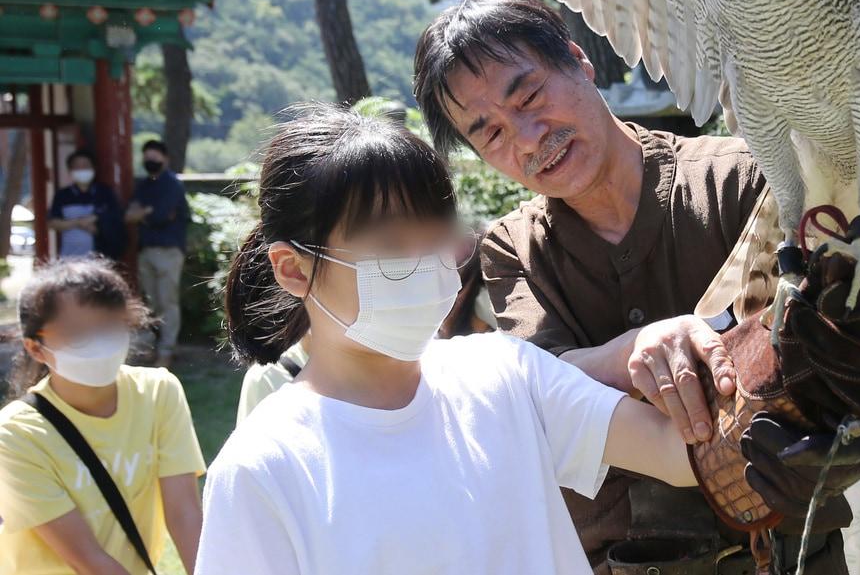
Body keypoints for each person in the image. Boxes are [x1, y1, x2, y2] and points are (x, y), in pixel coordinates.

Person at [416, 0, 858, 573]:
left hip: (792, 553)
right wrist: (634, 351)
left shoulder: (744, 180)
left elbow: (830, 358)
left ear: (579, 59)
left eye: (528, 95)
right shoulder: (511, 248)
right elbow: (531, 392)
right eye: (490, 134)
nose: (526, 138)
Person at [196, 104, 701, 575]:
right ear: (293, 269)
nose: (423, 262)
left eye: (436, 234)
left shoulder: (506, 372)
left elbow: (680, 452)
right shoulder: (261, 470)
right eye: (391, 245)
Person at [0, 257, 205, 574]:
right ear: (35, 348)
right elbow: (87, 559)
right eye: (77, 331)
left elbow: (185, 514)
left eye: (110, 325)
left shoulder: (159, 391)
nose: (98, 341)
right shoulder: (14, 433)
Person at [125, 139, 190, 368]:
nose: (150, 161)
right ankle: (156, 347)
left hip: (169, 251)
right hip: (146, 250)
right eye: (147, 157)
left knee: (167, 302)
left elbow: (162, 215)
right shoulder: (144, 185)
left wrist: (144, 213)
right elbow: (130, 214)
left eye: (155, 157)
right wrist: (147, 212)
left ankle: (166, 351)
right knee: (151, 303)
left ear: (165, 159)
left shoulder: (172, 184)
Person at [47, 150, 125, 261]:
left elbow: (117, 217)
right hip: (70, 257)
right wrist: (79, 222)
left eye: (85, 166)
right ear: (70, 170)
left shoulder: (104, 193)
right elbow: (52, 223)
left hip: (100, 257)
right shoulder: (62, 195)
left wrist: (97, 222)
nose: (82, 169)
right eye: (77, 166)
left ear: (94, 168)